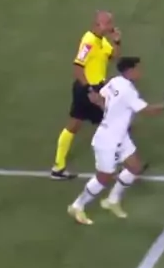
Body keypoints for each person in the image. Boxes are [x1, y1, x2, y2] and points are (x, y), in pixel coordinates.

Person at [67, 57, 164, 225]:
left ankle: (112, 200)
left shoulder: (114, 81)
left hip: (121, 136)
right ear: (129, 71)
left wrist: (109, 110)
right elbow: (148, 111)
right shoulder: (128, 91)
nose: (140, 72)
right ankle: (77, 205)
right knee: (103, 178)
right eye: (137, 69)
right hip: (107, 139)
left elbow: (100, 99)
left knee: (135, 167)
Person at [51, 11, 121, 179]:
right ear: (97, 24)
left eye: (111, 23)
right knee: (111, 124)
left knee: (75, 125)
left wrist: (117, 41)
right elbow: (77, 67)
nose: (111, 26)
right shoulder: (88, 42)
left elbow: (114, 56)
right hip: (88, 90)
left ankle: (58, 167)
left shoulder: (102, 41)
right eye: (107, 23)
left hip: (96, 88)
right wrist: (90, 90)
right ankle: (114, 166)